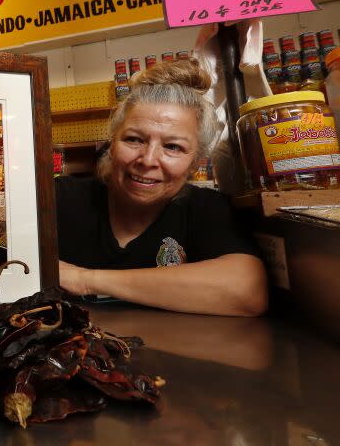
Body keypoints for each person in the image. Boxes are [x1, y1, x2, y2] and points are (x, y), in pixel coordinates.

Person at [56, 58, 268, 317]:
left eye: (173, 147)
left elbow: (247, 291)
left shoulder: (204, 208)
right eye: (134, 139)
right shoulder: (61, 199)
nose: (147, 160)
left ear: (196, 162)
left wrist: (83, 279)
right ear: (112, 144)